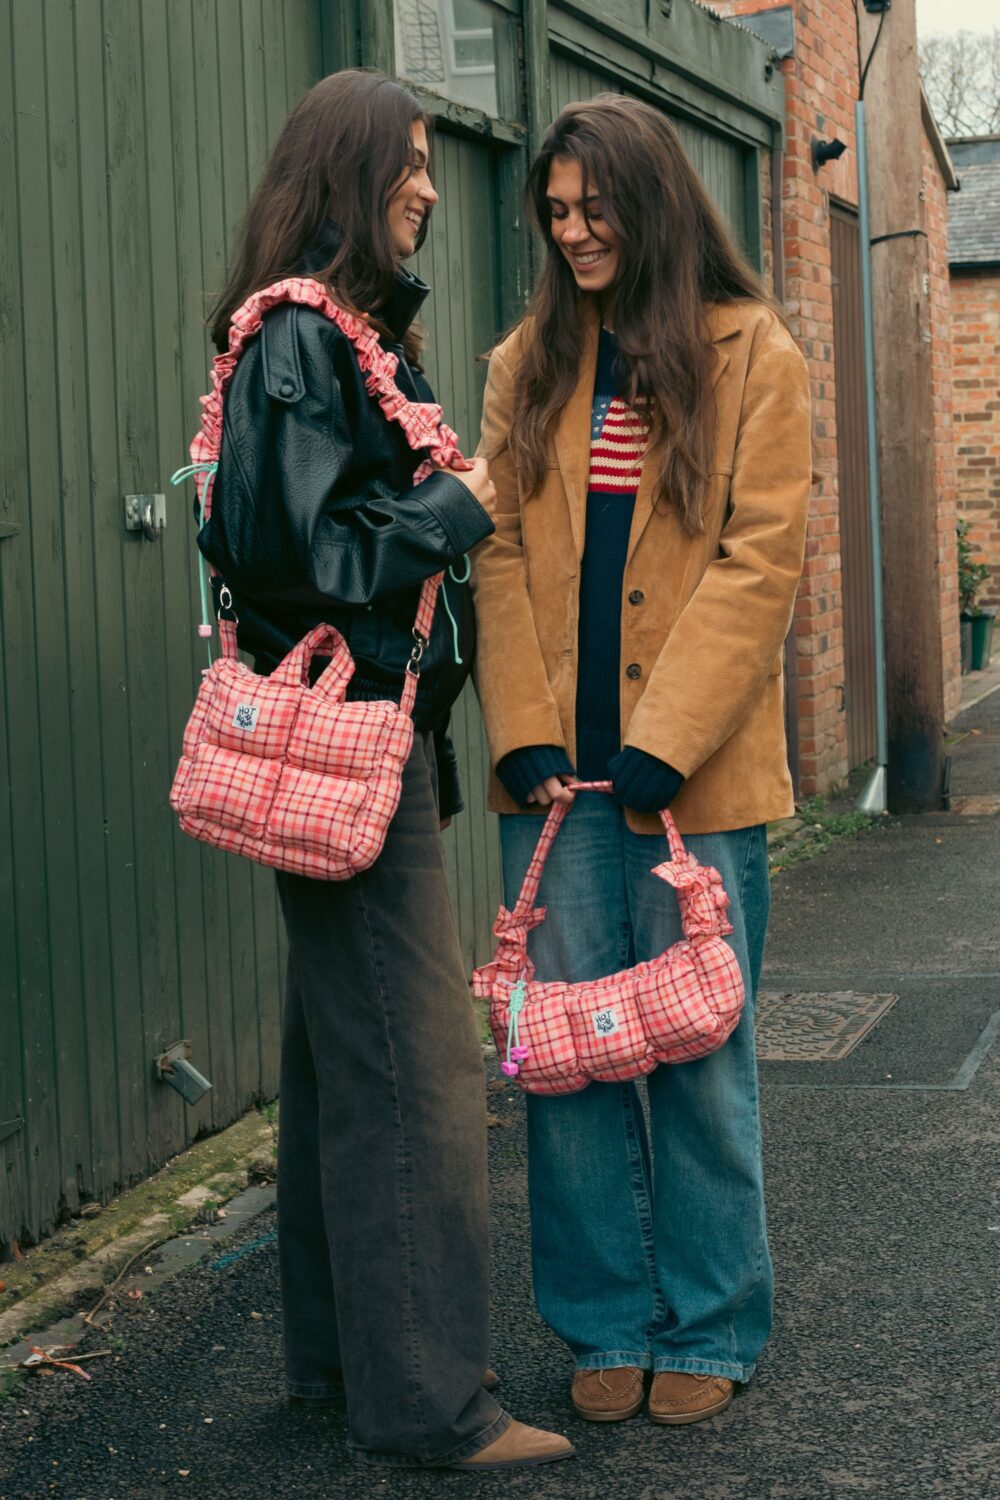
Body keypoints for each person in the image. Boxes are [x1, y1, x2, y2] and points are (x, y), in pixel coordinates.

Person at [197, 69, 573, 1471]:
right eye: (411, 162)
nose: (429, 184)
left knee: (338, 1062)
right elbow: (300, 553)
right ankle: (429, 1406)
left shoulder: (323, 335)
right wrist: (458, 511)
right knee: (414, 1073)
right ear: (350, 175)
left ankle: (340, 1366)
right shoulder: (303, 338)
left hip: (360, 742)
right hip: (354, 748)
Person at [472, 95, 812, 1427]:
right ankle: (603, 1317)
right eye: (554, 214)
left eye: (593, 207)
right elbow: (496, 553)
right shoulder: (526, 366)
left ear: (652, 201)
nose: (572, 233)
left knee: (696, 1059)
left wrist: (664, 741)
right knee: (566, 1063)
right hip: (556, 787)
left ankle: (714, 1323)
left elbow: (758, 560)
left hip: (694, 788)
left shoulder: (753, 355)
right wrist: (523, 730)